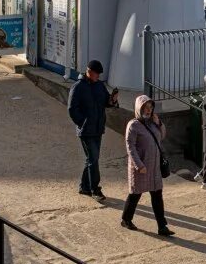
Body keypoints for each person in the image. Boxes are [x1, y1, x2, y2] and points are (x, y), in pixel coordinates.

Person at [122, 95, 173, 236]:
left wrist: (159, 123)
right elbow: (130, 147)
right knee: (135, 194)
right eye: (145, 107)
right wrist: (139, 165)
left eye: (150, 107)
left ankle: (162, 227)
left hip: (154, 166)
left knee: (157, 196)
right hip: (141, 167)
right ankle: (126, 219)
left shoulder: (152, 123)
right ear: (139, 108)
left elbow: (161, 136)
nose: (148, 110)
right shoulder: (133, 125)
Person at [67, 59, 117, 199]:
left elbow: (106, 101)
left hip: (98, 128)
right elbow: (72, 109)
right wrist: (82, 123)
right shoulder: (77, 87)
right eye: (96, 74)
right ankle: (95, 189)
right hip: (86, 131)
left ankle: (84, 187)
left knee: (91, 159)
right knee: (93, 158)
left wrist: (112, 100)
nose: (98, 77)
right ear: (89, 72)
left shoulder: (99, 86)